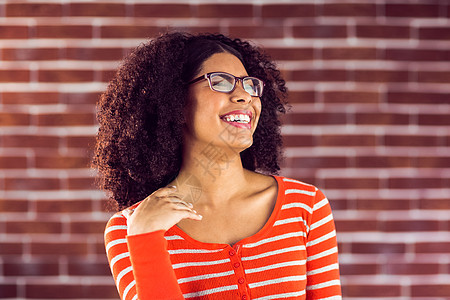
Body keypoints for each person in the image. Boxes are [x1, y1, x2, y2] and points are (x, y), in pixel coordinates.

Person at [94, 31, 341, 300]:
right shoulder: (130, 228)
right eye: (221, 82)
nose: (244, 96)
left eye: (250, 85)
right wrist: (146, 239)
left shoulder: (306, 206)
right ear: (175, 101)